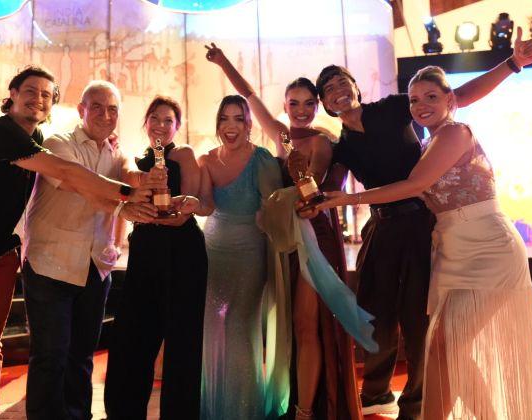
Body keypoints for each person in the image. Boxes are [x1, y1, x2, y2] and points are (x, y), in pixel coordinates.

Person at [312, 28, 532, 420]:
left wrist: (512, 64)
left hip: (427, 224)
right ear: (324, 103)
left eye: (342, 82)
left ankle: (417, 406)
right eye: (328, 89)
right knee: (378, 314)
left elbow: (460, 96)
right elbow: (324, 187)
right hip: (395, 227)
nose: (338, 90)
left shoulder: (397, 109)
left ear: (355, 87)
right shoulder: (344, 147)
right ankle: (377, 392)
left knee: (425, 326)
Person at [0, 65, 155, 420]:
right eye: (30, 90)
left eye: (46, 94)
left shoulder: (39, 138)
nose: (38, 99)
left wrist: (126, 198)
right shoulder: (0, 133)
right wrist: (129, 196)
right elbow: (69, 174)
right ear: (12, 94)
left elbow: (85, 180)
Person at [205, 43, 361, 420]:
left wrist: (291, 186)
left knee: (306, 326)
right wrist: (223, 61)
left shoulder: (321, 141)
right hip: (279, 239)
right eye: (294, 103)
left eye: (309, 103)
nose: (302, 110)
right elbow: (249, 95)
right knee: (285, 325)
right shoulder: (278, 134)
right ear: (285, 106)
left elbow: (311, 189)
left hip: (311, 236)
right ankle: (288, 402)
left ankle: (306, 411)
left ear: (317, 106)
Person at [21, 80, 164, 419]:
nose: (105, 114)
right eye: (97, 107)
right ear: (81, 110)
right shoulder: (58, 143)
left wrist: (150, 179)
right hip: (50, 264)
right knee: (50, 357)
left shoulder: (115, 150)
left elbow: (128, 173)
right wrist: (125, 204)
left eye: (112, 109)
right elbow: (81, 184)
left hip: (94, 267)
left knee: (81, 357)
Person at [103, 95, 205, 420]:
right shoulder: (136, 161)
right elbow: (123, 194)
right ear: (145, 123)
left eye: (168, 120)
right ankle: (123, 412)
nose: (161, 125)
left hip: (182, 250)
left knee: (182, 339)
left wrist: (173, 210)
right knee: (133, 333)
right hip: (145, 250)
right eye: (155, 118)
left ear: (178, 126)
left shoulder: (183, 153)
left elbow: (191, 202)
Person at [196, 94, 283, 419]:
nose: (230, 126)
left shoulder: (262, 159)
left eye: (238, 118)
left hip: (250, 251)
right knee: (212, 326)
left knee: (238, 326)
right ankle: (216, 407)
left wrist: (266, 215)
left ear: (248, 124)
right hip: (212, 251)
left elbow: (274, 207)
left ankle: (245, 411)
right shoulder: (206, 160)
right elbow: (205, 205)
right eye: (224, 118)